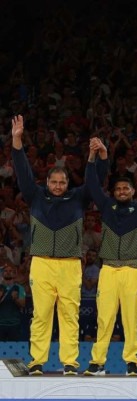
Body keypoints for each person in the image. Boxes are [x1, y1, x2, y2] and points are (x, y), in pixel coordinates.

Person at [11, 115, 105, 376]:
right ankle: (37, 362)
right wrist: (17, 140)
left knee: (69, 315)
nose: (58, 186)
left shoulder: (78, 198)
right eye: (54, 182)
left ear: (67, 184)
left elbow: (96, 182)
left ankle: (70, 363)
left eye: (62, 182)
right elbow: (23, 173)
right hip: (41, 264)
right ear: (47, 182)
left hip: (70, 265)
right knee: (41, 314)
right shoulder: (35, 196)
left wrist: (95, 157)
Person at [82, 138, 137, 377]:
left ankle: (132, 361)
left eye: (125, 188)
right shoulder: (106, 207)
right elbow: (92, 184)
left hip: (131, 270)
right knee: (104, 318)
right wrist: (93, 157)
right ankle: (97, 362)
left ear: (133, 191)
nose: (121, 191)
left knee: (130, 318)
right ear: (114, 192)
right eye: (118, 189)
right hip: (107, 270)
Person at [0, 265, 26, 341]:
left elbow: (23, 304)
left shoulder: (20, 288)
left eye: (10, 271)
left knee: (14, 348)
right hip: (0, 323)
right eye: (6, 271)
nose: (8, 272)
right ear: (2, 274)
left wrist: (16, 299)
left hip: (14, 324)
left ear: (14, 274)